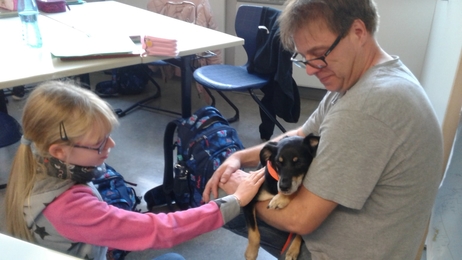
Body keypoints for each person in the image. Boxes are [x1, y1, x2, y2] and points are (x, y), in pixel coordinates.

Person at [202, 0, 444, 259]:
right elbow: (301, 135)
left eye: (318, 54)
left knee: (216, 193)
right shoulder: (364, 80)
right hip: (363, 238)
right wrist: (238, 157)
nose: (309, 69)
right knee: (229, 177)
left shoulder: (367, 108)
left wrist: (239, 193)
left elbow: (301, 219)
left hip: (329, 250)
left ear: (358, 32)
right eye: (303, 58)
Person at [4, 81, 265, 260]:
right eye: (99, 144)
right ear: (59, 151)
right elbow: (160, 229)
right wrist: (235, 200)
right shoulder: (71, 209)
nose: (111, 145)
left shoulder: (33, 166)